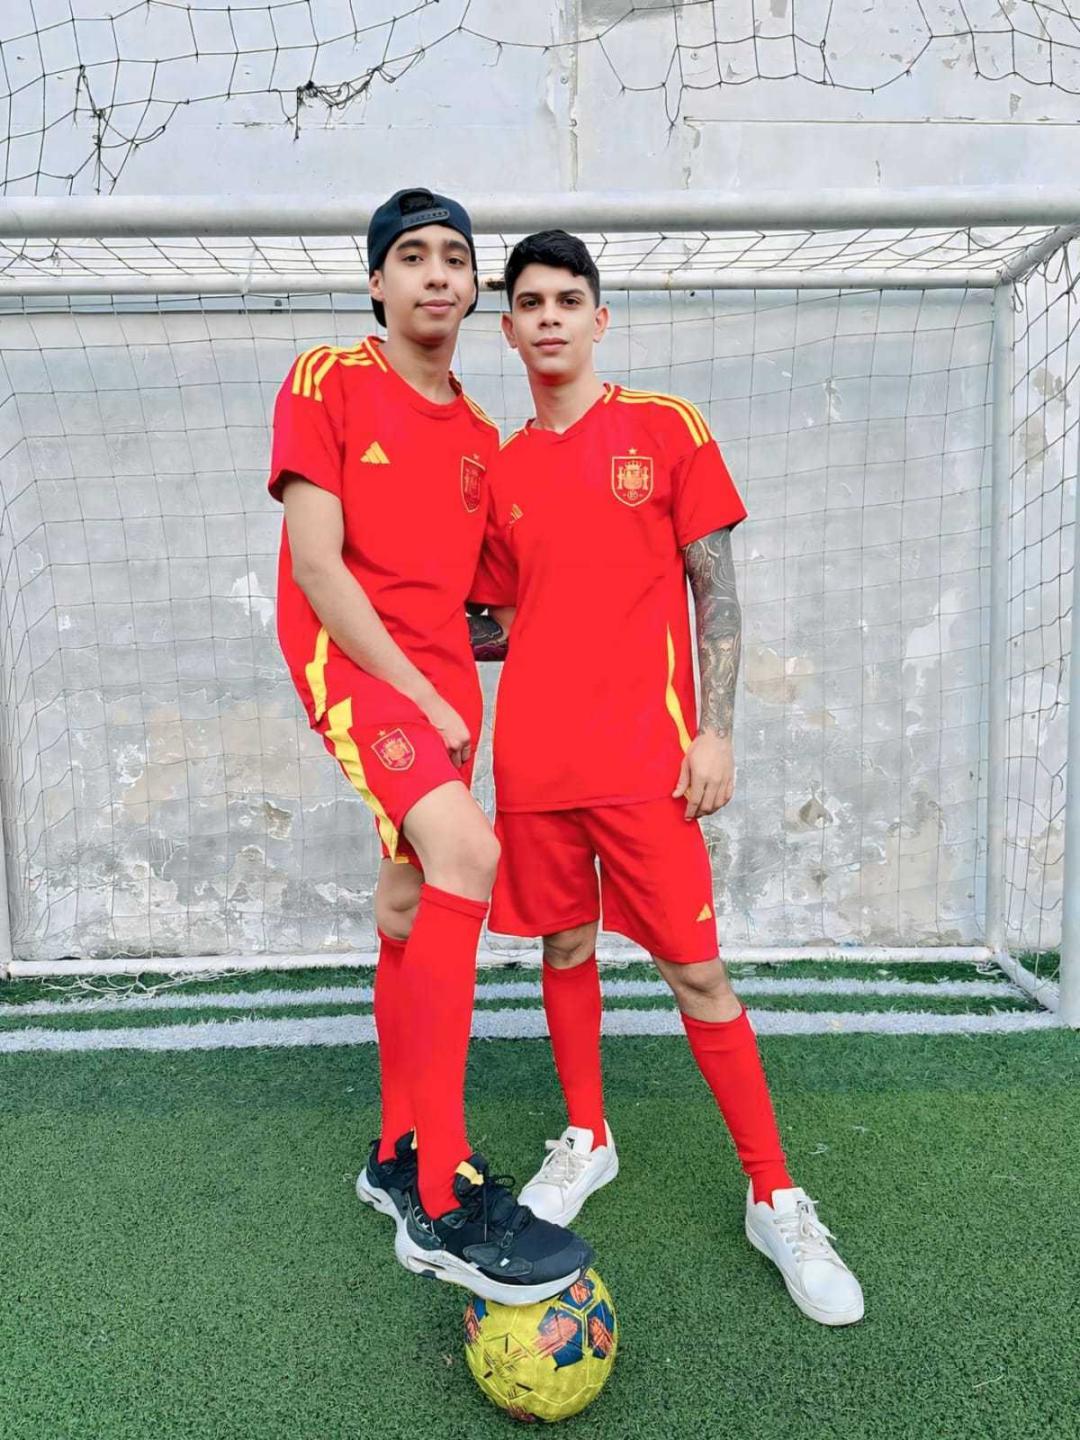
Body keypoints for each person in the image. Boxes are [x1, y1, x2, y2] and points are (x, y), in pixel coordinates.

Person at [469, 230, 863, 1326]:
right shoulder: (501, 468)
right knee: (563, 947)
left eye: (569, 299)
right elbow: (499, 621)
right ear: (509, 330)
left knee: (698, 974)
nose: (550, 317)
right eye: (531, 303)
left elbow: (716, 592)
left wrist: (716, 731)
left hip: (648, 761)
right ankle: (587, 1136)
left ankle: (774, 1195)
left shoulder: (665, 428)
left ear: (600, 320)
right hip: (536, 764)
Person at [268, 193, 591, 1305]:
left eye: (456, 258)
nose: (438, 274)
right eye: (413, 257)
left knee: (409, 903)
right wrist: (418, 693)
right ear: (378, 283)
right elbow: (318, 567)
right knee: (470, 854)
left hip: (445, 695)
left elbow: (498, 599)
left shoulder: (482, 438)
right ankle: (446, 1202)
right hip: (362, 676)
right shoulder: (328, 378)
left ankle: (395, 1151)